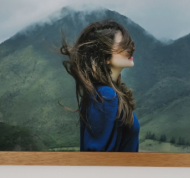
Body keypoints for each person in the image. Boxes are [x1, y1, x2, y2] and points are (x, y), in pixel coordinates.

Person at [58, 18, 140, 152]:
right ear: (105, 57)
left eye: (130, 43)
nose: (132, 48)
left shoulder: (104, 93)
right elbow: (96, 159)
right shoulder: (106, 96)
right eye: (123, 45)